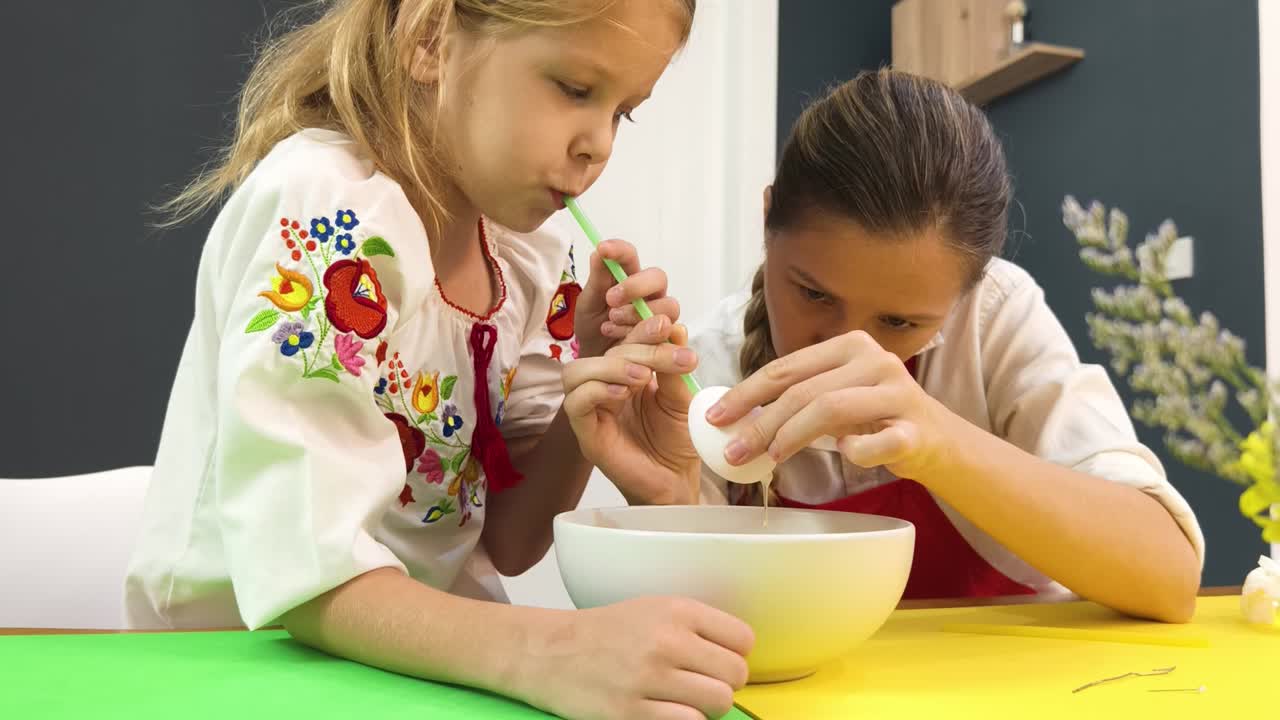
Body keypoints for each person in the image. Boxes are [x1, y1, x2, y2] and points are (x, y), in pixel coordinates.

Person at [125, 2, 753, 718]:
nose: (598, 144)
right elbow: (304, 572)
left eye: (624, 111)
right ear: (430, 39)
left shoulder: (530, 254)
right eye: (576, 89)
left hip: (415, 678)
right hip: (239, 671)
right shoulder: (332, 212)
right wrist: (556, 650)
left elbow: (511, 541)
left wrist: (589, 408)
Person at [681, 69, 1203, 622]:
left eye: (900, 322)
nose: (849, 348)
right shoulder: (711, 368)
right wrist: (666, 493)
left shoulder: (997, 317)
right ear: (768, 223)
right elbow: (696, 627)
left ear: (968, 290)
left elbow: (1168, 578)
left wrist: (936, 444)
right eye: (813, 293)